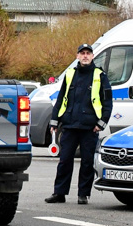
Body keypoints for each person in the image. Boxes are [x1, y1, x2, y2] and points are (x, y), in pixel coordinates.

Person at [45, 43, 113, 205]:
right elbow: (61, 98)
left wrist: (101, 123)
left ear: (92, 56)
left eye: (88, 53)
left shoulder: (100, 75)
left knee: (87, 162)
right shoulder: (70, 74)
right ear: (77, 56)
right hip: (69, 125)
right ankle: (59, 193)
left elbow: (107, 103)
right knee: (64, 161)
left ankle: (83, 194)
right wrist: (55, 121)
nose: (85, 56)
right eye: (82, 53)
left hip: (90, 127)